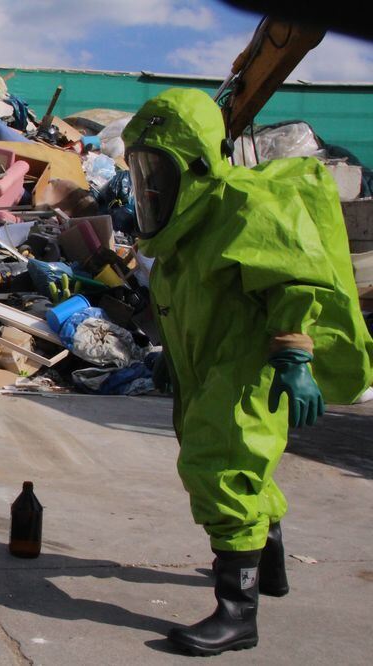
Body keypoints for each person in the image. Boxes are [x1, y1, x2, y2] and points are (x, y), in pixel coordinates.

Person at [122, 88, 373, 656]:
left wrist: (294, 356)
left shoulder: (243, 207)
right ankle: (270, 561)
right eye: (142, 171)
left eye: (157, 169)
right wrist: (168, 356)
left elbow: (295, 280)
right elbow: (184, 300)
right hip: (205, 360)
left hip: (245, 361)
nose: (149, 186)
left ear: (197, 162)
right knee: (233, 460)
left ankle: (238, 613)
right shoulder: (187, 227)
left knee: (220, 463)